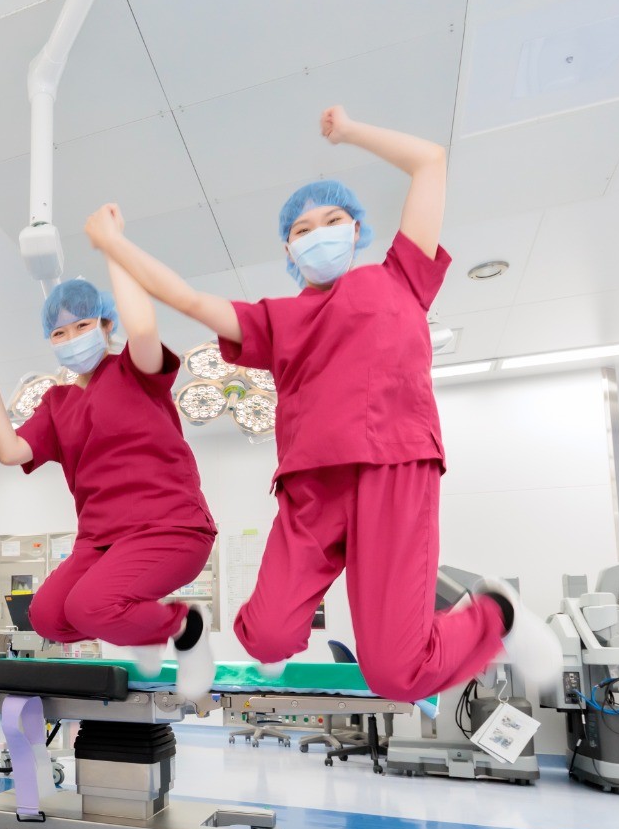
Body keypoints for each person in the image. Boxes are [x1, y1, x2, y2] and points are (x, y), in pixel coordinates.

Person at [85, 106, 561, 702]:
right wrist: (114, 245)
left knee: (395, 674)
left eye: (333, 220)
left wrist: (352, 132)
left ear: (357, 230)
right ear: (288, 249)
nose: (319, 233)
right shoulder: (276, 319)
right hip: (310, 488)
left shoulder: (400, 277)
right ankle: (236, 640)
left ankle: (495, 615)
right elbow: (186, 298)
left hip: (393, 467)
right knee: (265, 637)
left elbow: (429, 162)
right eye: (303, 229)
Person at [0, 253, 218, 699]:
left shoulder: (134, 370)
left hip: (168, 526)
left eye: (82, 325)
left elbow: (143, 330)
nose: (71, 339)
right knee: (48, 616)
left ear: (107, 325)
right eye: (59, 333)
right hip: (99, 541)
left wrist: (113, 250)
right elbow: (10, 450)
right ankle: (146, 630)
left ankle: (186, 627)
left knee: (91, 606)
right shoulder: (57, 402)